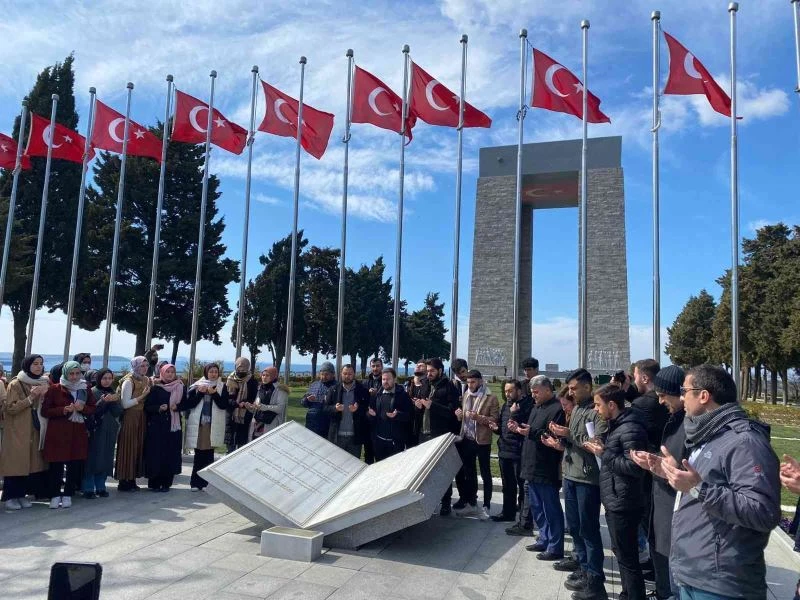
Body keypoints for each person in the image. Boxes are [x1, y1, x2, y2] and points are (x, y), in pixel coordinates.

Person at [650, 365, 780, 600]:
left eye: (684, 391)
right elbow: (704, 483)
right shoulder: (709, 435)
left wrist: (697, 488)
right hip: (694, 572)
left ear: (703, 395)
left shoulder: (744, 442)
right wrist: (672, 472)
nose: (681, 397)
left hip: (721, 582)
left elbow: (763, 512)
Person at [544, 369, 608, 593]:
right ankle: (582, 566)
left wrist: (569, 434)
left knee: (588, 529)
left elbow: (597, 443)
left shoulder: (596, 412)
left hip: (587, 479)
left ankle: (594, 576)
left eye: (574, 388)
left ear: (587, 387)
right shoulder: (578, 408)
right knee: (575, 526)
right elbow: (575, 440)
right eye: (569, 388)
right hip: (571, 474)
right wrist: (562, 438)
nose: (570, 392)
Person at [583, 384, 648, 600]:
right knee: (621, 553)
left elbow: (635, 467)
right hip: (616, 498)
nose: (595, 409)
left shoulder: (630, 428)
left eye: (598, 405)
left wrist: (604, 453)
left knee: (628, 558)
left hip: (625, 501)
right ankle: (627, 593)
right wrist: (605, 447)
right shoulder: (617, 425)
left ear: (612, 405)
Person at [630, 365, 685, 600]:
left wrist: (664, 467)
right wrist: (655, 461)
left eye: (663, 395)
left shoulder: (689, 424)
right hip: (661, 501)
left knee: (674, 573)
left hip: (674, 508)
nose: (660, 401)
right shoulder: (674, 419)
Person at [515, 375, 565, 561]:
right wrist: (522, 430)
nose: (533, 395)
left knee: (551, 508)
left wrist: (532, 432)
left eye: (536, 392)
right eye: (532, 392)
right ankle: (544, 538)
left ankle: (555, 546)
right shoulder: (537, 407)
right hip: (531, 465)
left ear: (547, 389)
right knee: (537, 507)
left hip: (546, 467)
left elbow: (553, 436)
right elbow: (533, 431)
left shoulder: (557, 409)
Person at [41, 361, 97, 509]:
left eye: (77, 373)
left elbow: (92, 408)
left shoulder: (85, 388)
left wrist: (82, 408)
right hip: (58, 433)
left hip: (77, 432)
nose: (74, 377)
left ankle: (68, 494)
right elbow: (45, 411)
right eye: (71, 373)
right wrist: (63, 410)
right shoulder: (55, 389)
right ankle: (54, 495)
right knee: (56, 465)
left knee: (74, 464)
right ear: (65, 373)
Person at [0, 354, 49, 511]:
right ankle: (10, 496)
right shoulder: (16, 383)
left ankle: (21, 495)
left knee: (27, 463)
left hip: (33, 429)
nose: (39, 366)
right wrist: (31, 397)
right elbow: (10, 408)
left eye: (41, 363)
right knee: (15, 463)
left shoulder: (42, 382)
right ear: (27, 365)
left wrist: (44, 396)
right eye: (35, 363)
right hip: (17, 429)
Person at [418, 357, 461, 515]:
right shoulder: (424, 384)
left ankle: (446, 503)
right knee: (426, 472)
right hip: (424, 433)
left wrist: (433, 406)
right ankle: (429, 501)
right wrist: (418, 405)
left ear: (440, 371)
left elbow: (452, 412)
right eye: (427, 371)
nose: (429, 374)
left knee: (442, 471)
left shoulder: (449, 387)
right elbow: (421, 405)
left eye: (432, 371)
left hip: (440, 434)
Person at [454, 369, 498, 519]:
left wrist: (478, 417)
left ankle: (486, 505)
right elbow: (463, 417)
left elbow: (494, 420)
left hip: (482, 441)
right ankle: (472, 503)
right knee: (469, 473)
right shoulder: (466, 394)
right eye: (468, 382)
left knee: (485, 474)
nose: (470, 385)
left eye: (473, 382)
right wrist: (459, 416)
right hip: (467, 438)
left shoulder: (491, 397)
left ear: (480, 381)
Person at [490, 379, 532, 524]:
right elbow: (504, 427)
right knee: (507, 486)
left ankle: (524, 520)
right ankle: (507, 513)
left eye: (510, 391)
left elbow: (523, 428)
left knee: (522, 486)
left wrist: (515, 414)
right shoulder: (505, 406)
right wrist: (496, 428)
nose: (507, 394)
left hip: (518, 452)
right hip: (504, 450)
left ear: (519, 391)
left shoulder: (526, 406)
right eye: (506, 391)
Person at [184, 363, 230, 491]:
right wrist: (200, 393)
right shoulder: (197, 385)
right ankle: (195, 483)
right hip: (200, 425)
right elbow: (190, 403)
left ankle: (206, 483)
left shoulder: (222, 386)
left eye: (216, 371)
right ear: (206, 373)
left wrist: (214, 394)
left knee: (209, 455)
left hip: (213, 425)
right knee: (199, 454)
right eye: (211, 371)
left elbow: (223, 405)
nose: (213, 374)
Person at [144, 363, 184, 492]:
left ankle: (166, 483)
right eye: (167, 372)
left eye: (172, 372)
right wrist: (158, 408)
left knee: (170, 454)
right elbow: (148, 407)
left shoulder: (180, 387)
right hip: (157, 427)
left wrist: (177, 407)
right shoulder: (156, 388)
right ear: (162, 373)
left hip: (173, 427)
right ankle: (155, 483)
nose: (170, 374)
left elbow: (186, 403)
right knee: (156, 454)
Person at [82, 368, 122, 499]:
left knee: (105, 457)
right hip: (96, 430)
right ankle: (88, 488)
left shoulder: (113, 393)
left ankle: (101, 486)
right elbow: (91, 411)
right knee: (93, 458)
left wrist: (113, 401)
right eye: (104, 378)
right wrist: (103, 402)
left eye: (110, 378)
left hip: (109, 429)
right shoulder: (93, 392)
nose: (107, 381)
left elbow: (118, 412)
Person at [115, 356, 151, 492]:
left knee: (137, 447)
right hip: (130, 417)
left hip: (141, 416)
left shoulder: (146, 380)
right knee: (128, 447)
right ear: (135, 366)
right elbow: (125, 404)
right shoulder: (128, 381)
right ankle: (124, 480)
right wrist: (142, 396)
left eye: (146, 365)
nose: (145, 368)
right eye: (142, 365)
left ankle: (132, 479)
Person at [324, 364, 369, 458]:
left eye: (350, 374)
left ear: (354, 374)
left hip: (355, 436)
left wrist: (357, 409)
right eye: (345, 373)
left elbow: (366, 409)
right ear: (341, 374)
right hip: (337, 436)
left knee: (354, 464)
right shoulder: (333, 389)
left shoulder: (362, 390)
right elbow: (325, 408)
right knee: (336, 463)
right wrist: (335, 408)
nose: (347, 376)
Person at [367, 367, 412, 461]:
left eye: (388, 379)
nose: (385, 382)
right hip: (379, 442)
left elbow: (410, 416)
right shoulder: (377, 395)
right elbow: (371, 414)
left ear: (394, 379)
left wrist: (397, 415)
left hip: (396, 443)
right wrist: (371, 415)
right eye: (383, 379)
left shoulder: (403, 395)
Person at [225, 357, 259, 451]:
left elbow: (253, 397)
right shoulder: (230, 379)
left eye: (244, 369)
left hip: (245, 415)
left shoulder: (252, 381)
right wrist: (236, 404)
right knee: (230, 440)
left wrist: (245, 403)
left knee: (242, 440)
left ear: (248, 368)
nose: (241, 371)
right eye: (239, 368)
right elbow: (226, 398)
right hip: (231, 414)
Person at [301, 362, 337, 438]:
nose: (323, 377)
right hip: (311, 424)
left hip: (327, 425)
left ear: (333, 374)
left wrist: (327, 402)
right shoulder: (314, 385)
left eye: (326, 374)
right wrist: (307, 399)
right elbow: (303, 402)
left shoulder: (337, 386)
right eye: (322, 374)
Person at [252, 367, 289, 438]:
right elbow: (257, 403)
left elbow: (280, 408)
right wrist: (252, 407)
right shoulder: (261, 388)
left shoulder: (281, 389)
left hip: (273, 424)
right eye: (263, 375)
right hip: (258, 423)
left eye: (267, 375)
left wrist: (264, 407)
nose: (264, 377)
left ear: (273, 376)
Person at [405, 359, 430, 447]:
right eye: (417, 365)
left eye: (421, 366)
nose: (418, 367)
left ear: (427, 370)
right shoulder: (408, 384)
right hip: (409, 425)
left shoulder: (429, 385)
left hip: (422, 427)